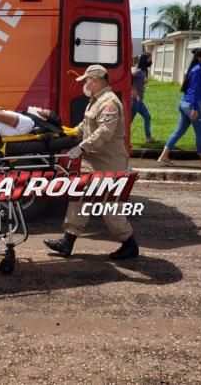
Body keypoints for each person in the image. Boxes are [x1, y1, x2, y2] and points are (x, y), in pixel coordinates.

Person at [44, 64, 139, 260]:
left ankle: (129, 243)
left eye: (86, 80)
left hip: (109, 163)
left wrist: (81, 147)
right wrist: (65, 135)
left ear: (95, 80)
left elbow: (104, 131)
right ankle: (67, 241)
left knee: (109, 207)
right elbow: (84, 126)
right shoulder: (95, 101)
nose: (85, 84)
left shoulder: (109, 103)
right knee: (79, 197)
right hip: (93, 161)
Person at [158, 48, 201, 170]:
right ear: (199, 58)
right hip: (191, 106)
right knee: (200, 134)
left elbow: (199, 90)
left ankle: (163, 156)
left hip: (184, 104)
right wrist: (195, 108)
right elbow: (195, 91)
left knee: (179, 131)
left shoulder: (195, 69)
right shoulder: (198, 70)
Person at [131, 53, 157, 144]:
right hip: (134, 101)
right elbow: (128, 81)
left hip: (140, 101)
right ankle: (121, 140)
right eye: (149, 59)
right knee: (129, 122)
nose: (151, 61)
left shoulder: (145, 71)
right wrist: (134, 92)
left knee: (147, 117)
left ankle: (148, 138)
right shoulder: (137, 72)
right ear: (144, 60)